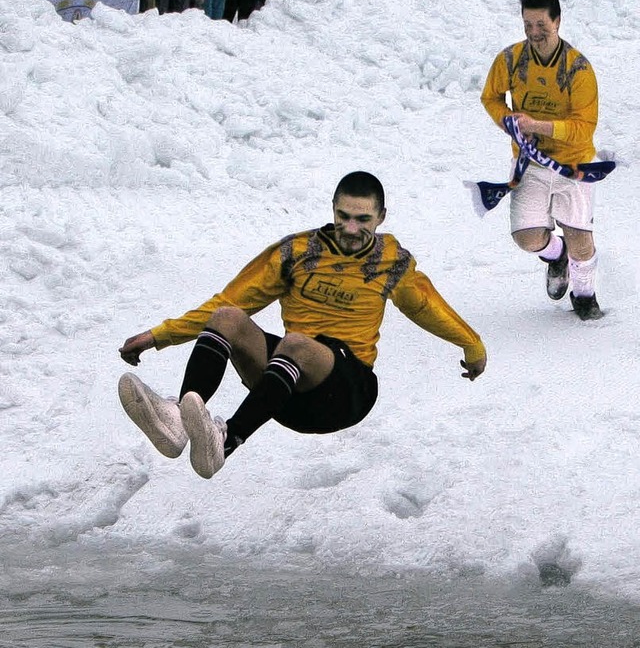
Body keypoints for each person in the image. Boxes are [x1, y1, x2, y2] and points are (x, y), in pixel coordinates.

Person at [119, 171, 487, 480]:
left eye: (363, 219)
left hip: (345, 393)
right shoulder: (296, 252)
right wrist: (158, 336)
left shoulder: (392, 264)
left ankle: (226, 441)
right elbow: (227, 301)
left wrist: (472, 346)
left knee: (295, 342)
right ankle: (178, 422)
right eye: (344, 216)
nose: (351, 227)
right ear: (332, 209)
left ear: (381, 217)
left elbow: (427, 307)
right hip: (281, 390)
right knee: (226, 318)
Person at [480, 0, 603, 321]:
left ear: (557, 21)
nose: (534, 32)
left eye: (541, 24)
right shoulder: (510, 59)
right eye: (527, 25)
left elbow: (583, 127)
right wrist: (509, 121)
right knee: (526, 237)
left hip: (571, 163)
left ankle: (585, 295)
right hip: (530, 162)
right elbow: (490, 97)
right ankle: (556, 255)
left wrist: (537, 125)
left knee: (581, 239)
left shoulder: (578, 69)